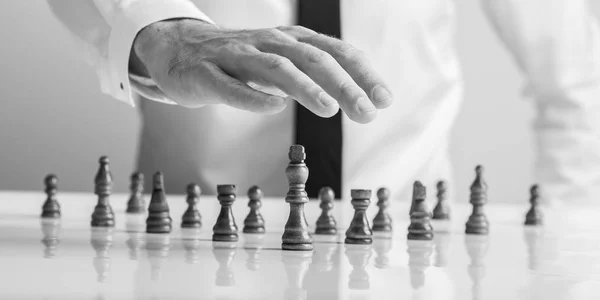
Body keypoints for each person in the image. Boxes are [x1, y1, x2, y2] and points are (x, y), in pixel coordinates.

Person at [48, 0, 600, 204]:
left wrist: (566, 256)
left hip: (407, 257)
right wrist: (155, 26)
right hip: (187, 254)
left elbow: (577, 83)